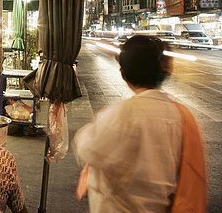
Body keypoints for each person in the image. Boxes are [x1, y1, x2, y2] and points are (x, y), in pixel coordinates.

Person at [74, 35, 207, 212]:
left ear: (124, 74)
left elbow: (87, 147)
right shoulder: (180, 115)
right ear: (164, 71)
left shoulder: (121, 113)